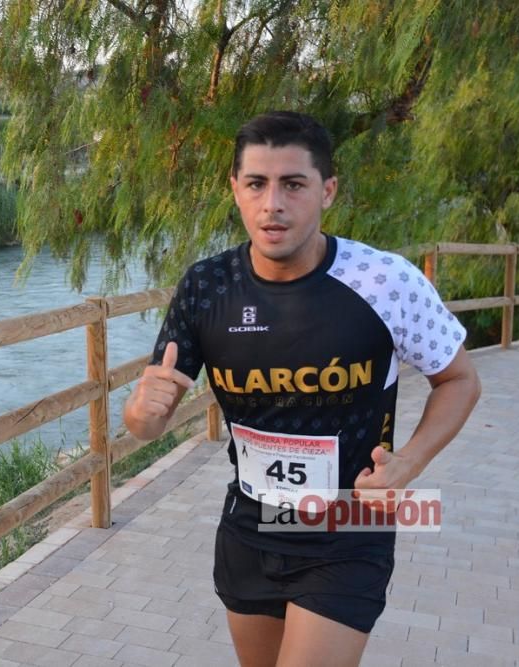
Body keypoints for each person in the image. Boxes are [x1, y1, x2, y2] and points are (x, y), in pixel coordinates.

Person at [124, 111, 480, 667]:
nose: (273, 205)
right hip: (251, 523)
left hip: (347, 525)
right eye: (256, 184)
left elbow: (459, 379)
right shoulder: (206, 286)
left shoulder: (385, 280)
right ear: (235, 190)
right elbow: (146, 424)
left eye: (293, 184)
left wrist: (410, 462)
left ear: (328, 190)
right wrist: (140, 411)